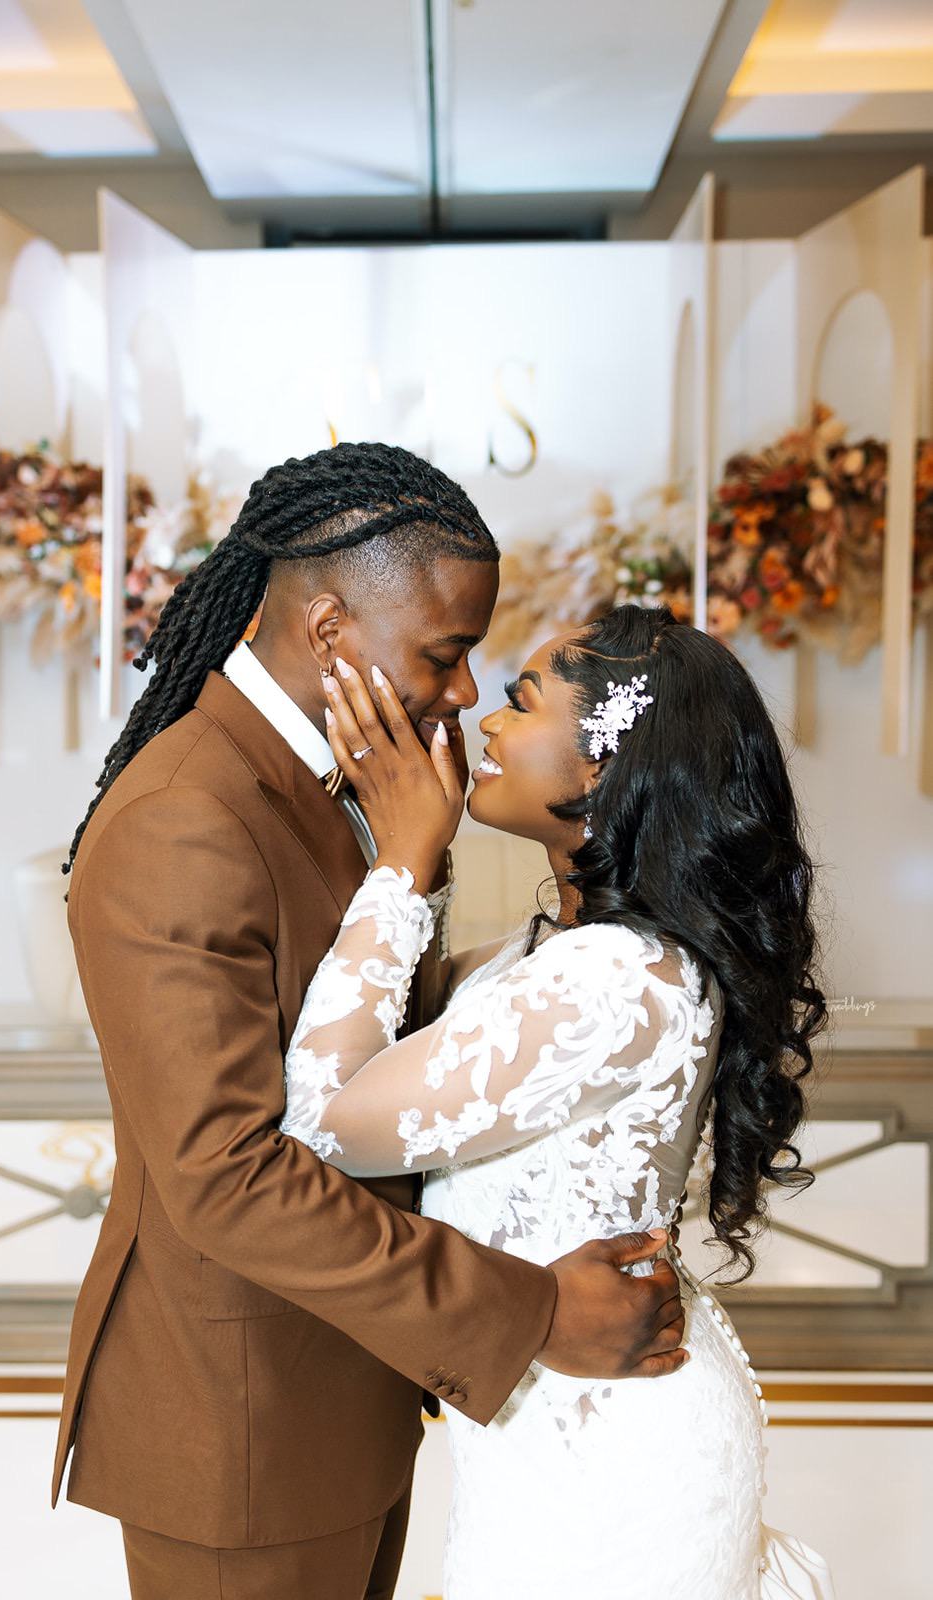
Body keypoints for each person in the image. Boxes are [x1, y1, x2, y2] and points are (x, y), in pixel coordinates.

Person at [52, 443, 688, 1600]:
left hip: (346, 1398)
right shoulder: (184, 816)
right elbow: (227, 1176)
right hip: (244, 1433)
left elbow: (396, 1051)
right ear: (330, 628)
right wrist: (534, 1310)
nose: (464, 693)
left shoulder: (348, 780)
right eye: (444, 653)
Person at [281, 601, 838, 1599]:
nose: (485, 721)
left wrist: (404, 859)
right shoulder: (552, 954)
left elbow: (326, 1120)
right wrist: (411, 855)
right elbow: (400, 1023)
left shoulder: (614, 976)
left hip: (607, 1468)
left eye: (520, 700)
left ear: (602, 765)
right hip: (556, 1444)